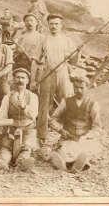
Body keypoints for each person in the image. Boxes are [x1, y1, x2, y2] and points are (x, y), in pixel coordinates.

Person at [34, 13, 80, 159]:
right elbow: (37, 59)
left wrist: (75, 53)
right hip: (48, 72)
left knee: (67, 101)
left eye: (56, 24)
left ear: (61, 25)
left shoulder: (67, 40)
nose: (54, 26)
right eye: (51, 24)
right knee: (44, 104)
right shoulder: (44, 40)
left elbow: (74, 59)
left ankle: (70, 134)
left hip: (63, 72)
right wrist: (35, 78)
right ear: (48, 25)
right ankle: (41, 136)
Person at [0, 68, 38, 171]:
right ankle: (2, 163)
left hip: (26, 129)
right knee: (5, 149)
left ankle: (22, 163)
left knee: (26, 148)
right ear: (14, 80)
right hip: (11, 129)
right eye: (18, 77)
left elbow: (33, 115)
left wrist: (25, 107)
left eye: (23, 78)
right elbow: (2, 115)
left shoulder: (33, 97)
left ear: (27, 81)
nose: (20, 80)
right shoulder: (8, 97)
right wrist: (8, 122)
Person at [48, 75, 102, 172]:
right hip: (68, 136)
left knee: (85, 150)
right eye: (76, 88)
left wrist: (88, 136)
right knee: (64, 150)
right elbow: (52, 119)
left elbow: (97, 127)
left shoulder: (93, 104)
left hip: (84, 139)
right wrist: (61, 130)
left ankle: (80, 163)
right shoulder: (66, 102)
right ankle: (63, 163)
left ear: (87, 88)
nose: (78, 90)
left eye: (81, 88)